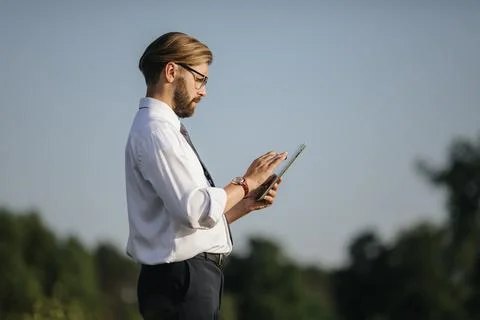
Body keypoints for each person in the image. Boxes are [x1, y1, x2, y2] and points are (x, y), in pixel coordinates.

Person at [125, 31, 287, 320]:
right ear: (172, 71)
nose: (203, 91)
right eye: (200, 79)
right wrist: (246, 182)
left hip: (185, 282)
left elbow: (183, 224)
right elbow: (194, 209)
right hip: (183, 283)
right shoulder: (157, 132)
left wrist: (244, 203)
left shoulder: (161, 130)